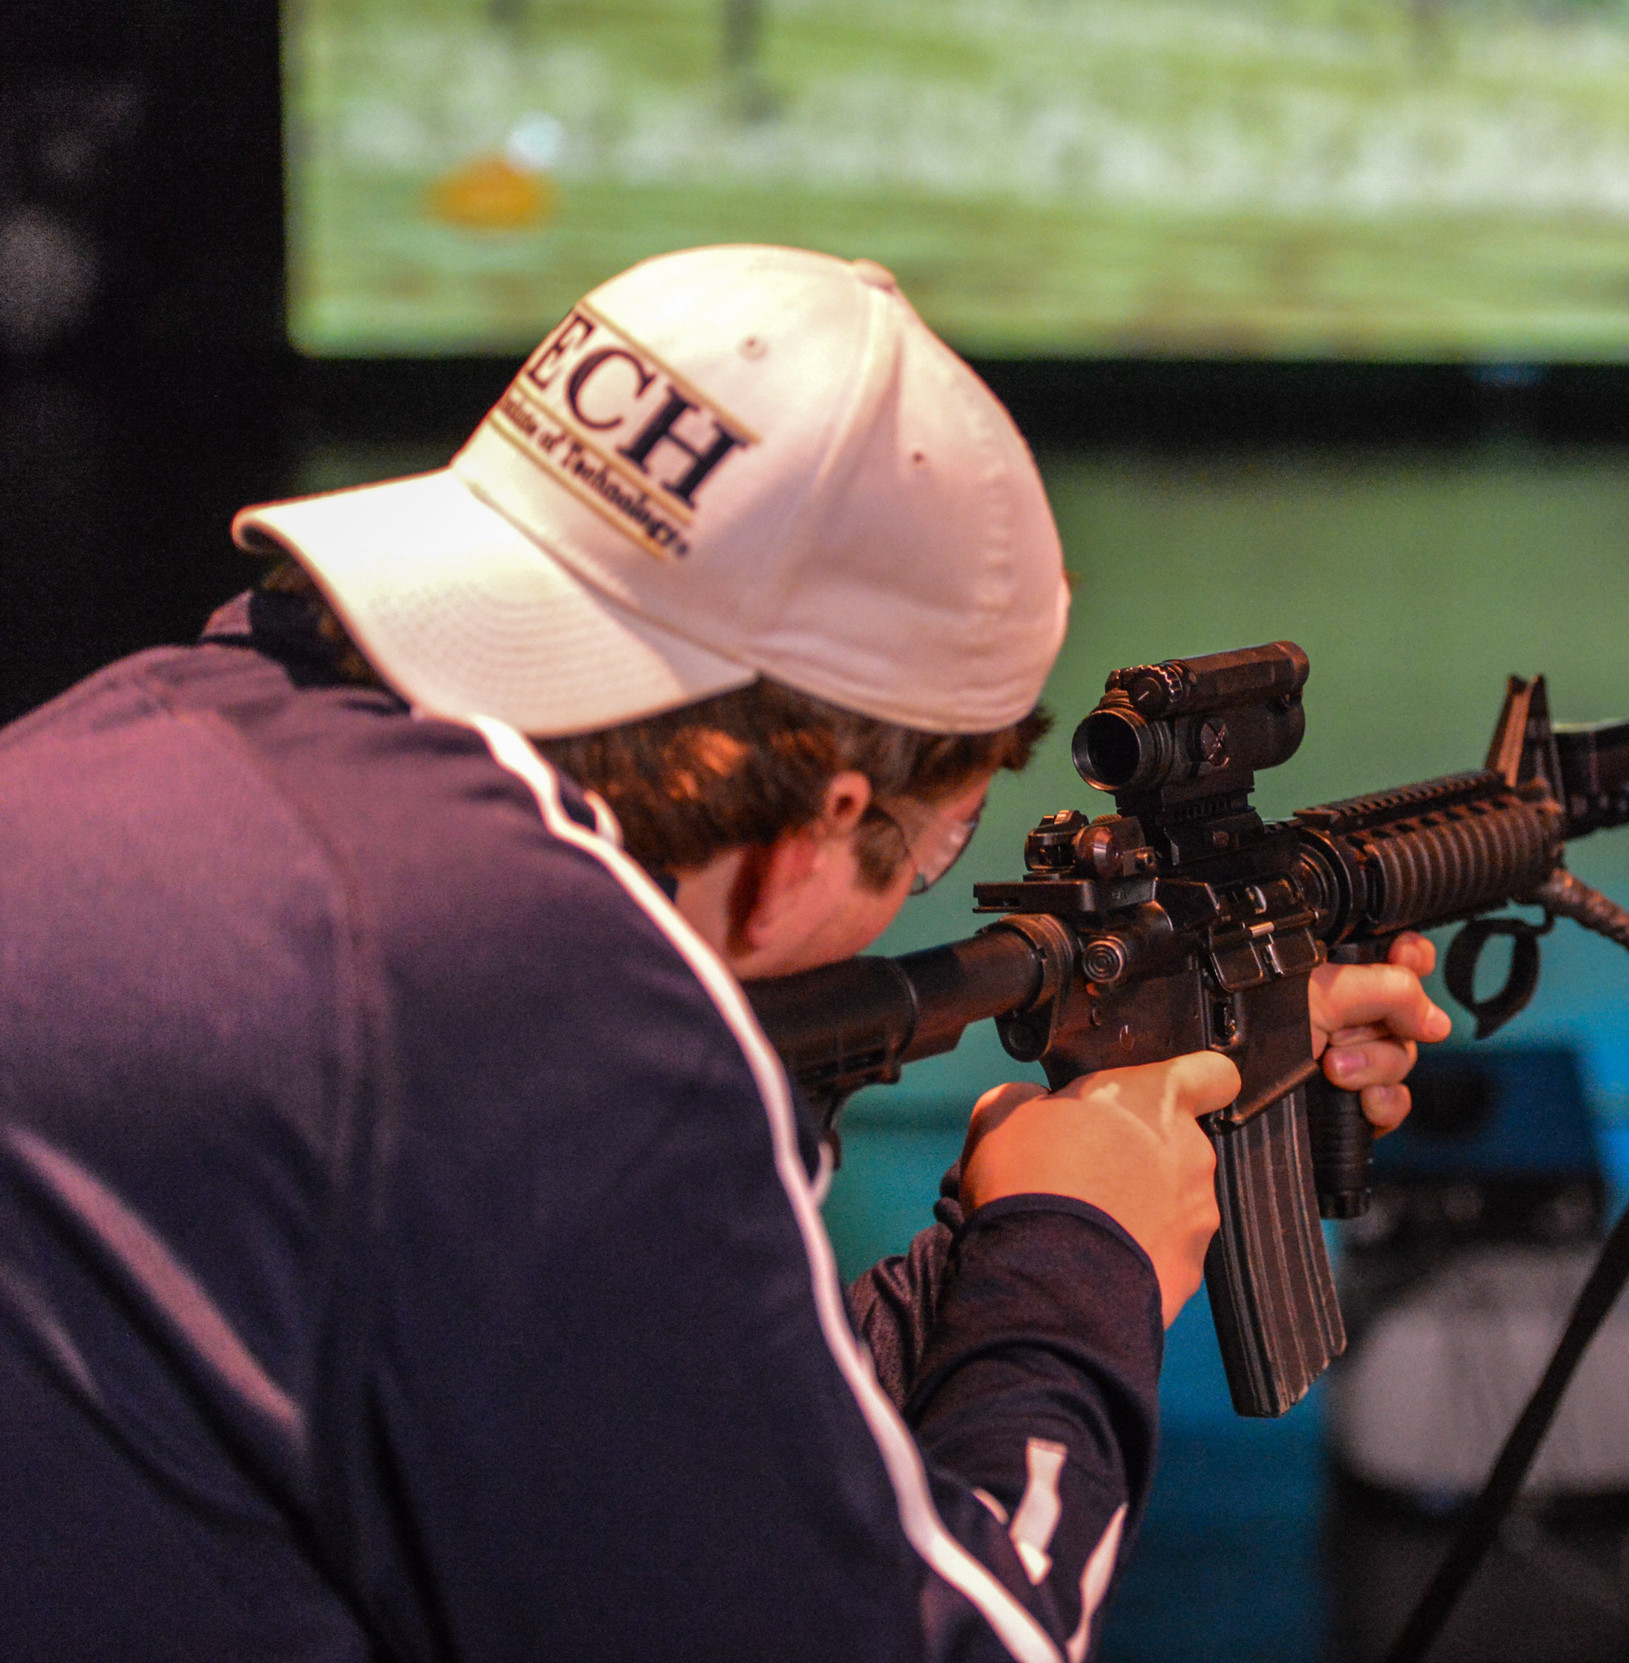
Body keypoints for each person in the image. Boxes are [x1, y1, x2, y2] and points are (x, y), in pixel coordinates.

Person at [0, 245, 1447, 1662]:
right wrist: (1086, 1259)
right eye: (940, 849)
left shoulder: (139, 731)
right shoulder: (539, 1003)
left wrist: (996, 1247)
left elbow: (631, 1435)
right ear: (811, 831)